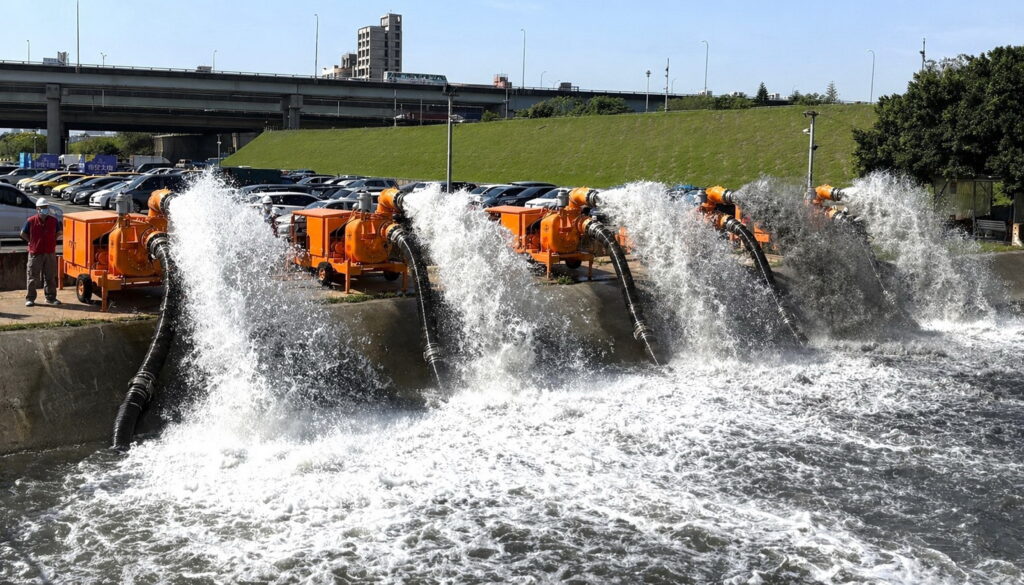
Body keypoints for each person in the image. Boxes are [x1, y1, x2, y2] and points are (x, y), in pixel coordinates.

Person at [20, 198, 62, 307]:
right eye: (43, 207)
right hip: (35, 252)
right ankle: (30, 298)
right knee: (32, 276)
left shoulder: (54, 221)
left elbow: (58, 232)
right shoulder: (31, 221)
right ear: (37, 209)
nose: (45, 209)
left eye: (46, 207)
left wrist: (52, 241)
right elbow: (23, 233)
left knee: (50, 276)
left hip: (49, 252)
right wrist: (31, 242)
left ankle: (51, 298)